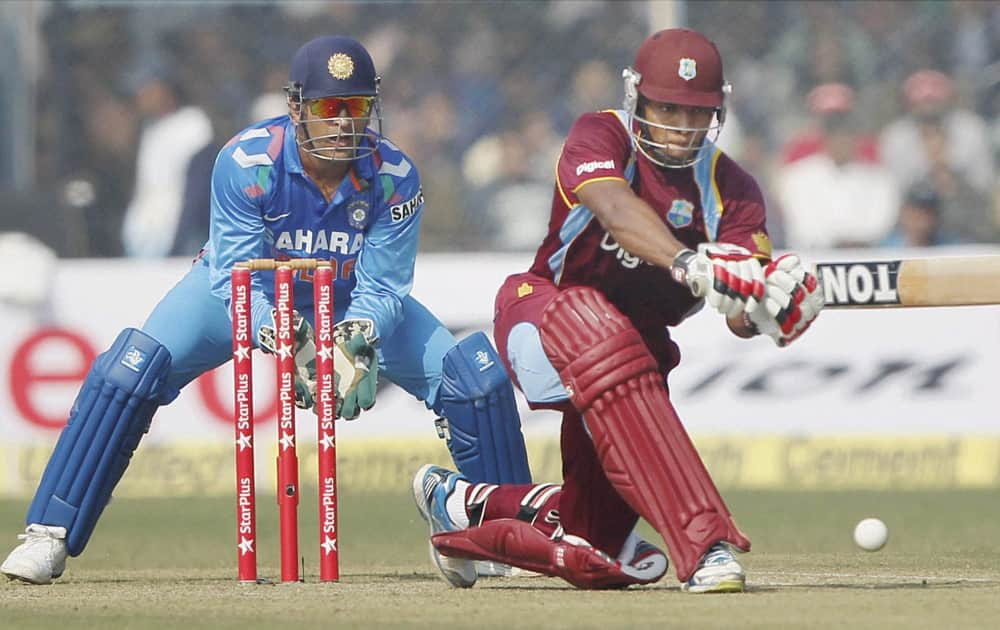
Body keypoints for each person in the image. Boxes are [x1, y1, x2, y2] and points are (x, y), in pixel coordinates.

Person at [1, 35, 531, 585]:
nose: (345, 124)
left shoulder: (395, 175)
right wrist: (285, 334)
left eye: (357, 108)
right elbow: (236, 280)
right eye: (329, 108)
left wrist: (357, 332)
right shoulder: (246, 162)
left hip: (346, 294)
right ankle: (49, 533)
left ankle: (504, 536)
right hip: (236, 291)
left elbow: (387, 286)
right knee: (129, 369)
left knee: (474, 378)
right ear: (297, 107)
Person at [411, 28, 824, 593]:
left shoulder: (735, 190)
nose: (680, 127)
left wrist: (772, 310)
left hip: (634, 366)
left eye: (695, 113)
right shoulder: (600, 134)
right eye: (667, 109)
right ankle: (705, 544)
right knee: (600, 327)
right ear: (638, 99)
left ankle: (463, 506)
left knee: (592, 545)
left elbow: (739, 314)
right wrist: (687, 261)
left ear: (717, 114)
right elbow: (612, 208)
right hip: (543, 310)